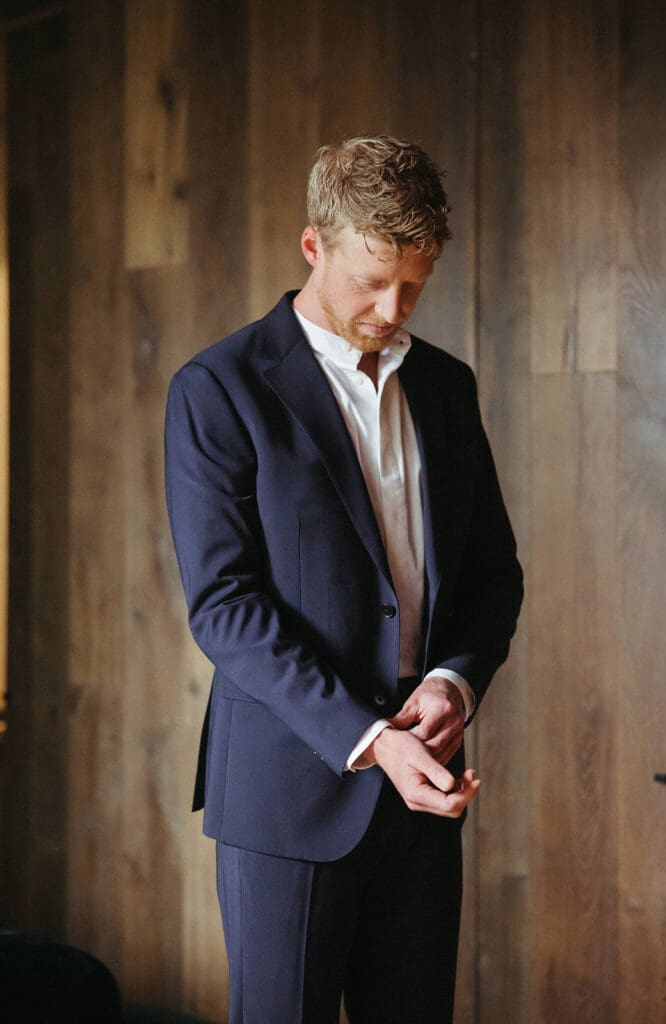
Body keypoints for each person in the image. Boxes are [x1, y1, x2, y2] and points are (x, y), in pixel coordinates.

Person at [164, 135, 523, 1024]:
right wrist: (369, 737)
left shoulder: (445, 385)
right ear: (313, 247)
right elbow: (225, 608)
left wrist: (455, 683)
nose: (392, 306)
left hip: (426, 785)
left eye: (415, 283)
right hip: (287, 790)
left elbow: (489, 574)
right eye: (372, 280)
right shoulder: (219, 387)